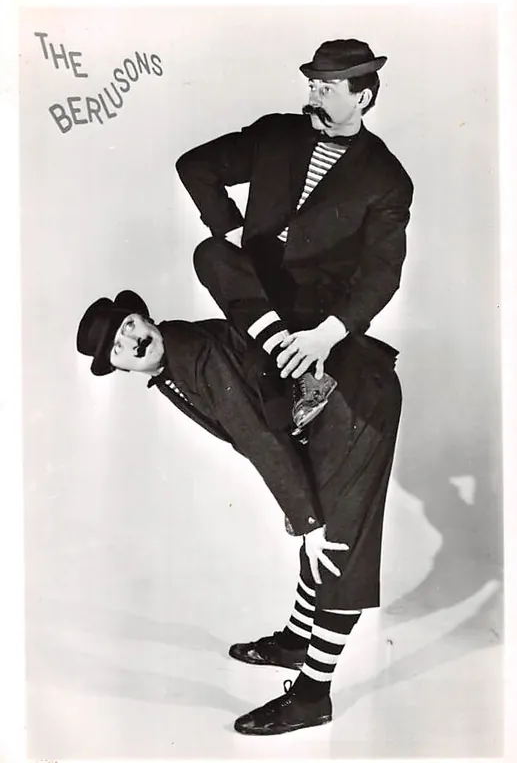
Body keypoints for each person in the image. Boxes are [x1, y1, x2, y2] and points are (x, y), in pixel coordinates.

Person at [77, 286, 404, 735]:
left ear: (145, 318)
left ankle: (312, 696)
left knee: (335, 548)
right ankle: (296, 642)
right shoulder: (173, 361)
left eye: (129, 325)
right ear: (119, 367)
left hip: (355, 402)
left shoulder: (192, 354)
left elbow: (258, 438)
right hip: (328, 411)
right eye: (118, 346)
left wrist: (309, 521)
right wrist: (304, 508)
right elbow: (261, 418)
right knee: (317, 530)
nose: (133, 340)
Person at [175, 38, 414, 440]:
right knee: (211, 253)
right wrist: (232, 230)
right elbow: (195, 165)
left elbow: (383, 272)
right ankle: (301, 375)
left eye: (327, 89)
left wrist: (326, 336)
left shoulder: (387, 178)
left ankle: (287, 381)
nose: (313, 98)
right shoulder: (276, 132)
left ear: (362, 98)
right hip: (254, 281)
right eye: (311, 87)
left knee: (271, 411)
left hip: (313, 303)